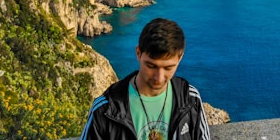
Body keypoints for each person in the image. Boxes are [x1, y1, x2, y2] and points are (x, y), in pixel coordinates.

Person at [80, 18, 211, 140]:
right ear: (138, 53)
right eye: (151, 66)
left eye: (168, 68)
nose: (158, 77)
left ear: (180, 58)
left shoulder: (190, 99)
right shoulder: (105, 109)